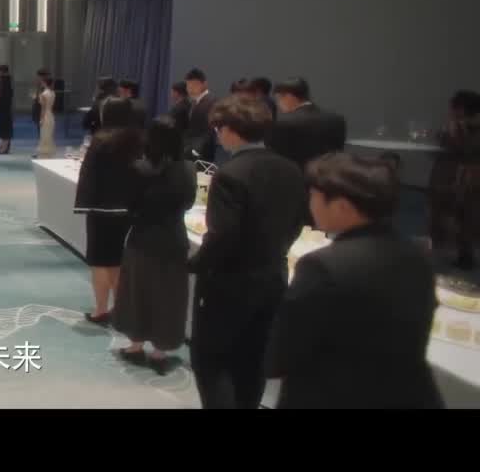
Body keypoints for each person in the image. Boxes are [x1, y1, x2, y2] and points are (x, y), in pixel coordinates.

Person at [264, 152, 442, 409]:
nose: (309, 203)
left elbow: (282, 353)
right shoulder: (417, 258)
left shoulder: (322, 266)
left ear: (342, 206)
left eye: (313, 195)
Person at [189, 96, 306, 409]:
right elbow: (297, 222)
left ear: (229, 130)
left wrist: (195, 264)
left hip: (229, 283)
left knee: (212, 362)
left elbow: (222, 236)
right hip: (273, 276)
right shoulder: (291, 168)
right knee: (253, 360)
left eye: (218, 128)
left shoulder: (230, 173)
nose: (217, 135)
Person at [113, 116, 196, 374]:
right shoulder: (188, 169)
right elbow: (189, 203)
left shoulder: (140, 168)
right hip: (174, 239)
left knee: (137, 293)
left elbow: (129, 205)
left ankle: (136, 346)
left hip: (143, 238)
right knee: (169, 296)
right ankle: (160, 352)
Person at [74, 98, 144, 325]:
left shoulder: (101, 140)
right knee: (116, 260)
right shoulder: (137, 139)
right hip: (127, 209)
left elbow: (88, 175)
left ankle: (101, 309)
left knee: (99, 261)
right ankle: (121, 309)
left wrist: (83, 203)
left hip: (101, 209)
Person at [429, 90, 480, 270]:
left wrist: (453, 131)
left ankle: (453, 252)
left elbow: (459, 147)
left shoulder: (461, 128)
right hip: (461, 179)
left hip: (460, 179)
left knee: (457, 213)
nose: (449, 111)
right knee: (465, 214)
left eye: (452, 108)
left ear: (460, 109)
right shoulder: (460, 126)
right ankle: (460, 252)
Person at [268, 77, 348, 172]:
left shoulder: (281, 123)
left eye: (278, 99)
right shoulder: (337, 119)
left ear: (289, 97)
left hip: (297, 177)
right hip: (330, 176)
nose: (278, 104)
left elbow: (277, 161)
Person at [183, 68, 217, 162]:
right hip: (193, 150)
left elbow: (209, 132)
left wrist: (195, 151)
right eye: (188, 85)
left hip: (201, 153)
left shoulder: (211, 102)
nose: (190, 89)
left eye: (194, 85)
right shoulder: (194, 102)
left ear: (204, 84)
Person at [0, 65, 14, 154]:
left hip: (4, 108)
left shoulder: (5, 81)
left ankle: (5, 147)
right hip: (3, 108)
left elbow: (5, 96)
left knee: (5, 128)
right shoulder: (3, 82)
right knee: (3, 127)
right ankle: (3, 146)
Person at [35, 74, 57, 159]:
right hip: (51, 115)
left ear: (44, 83)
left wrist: (41, 119)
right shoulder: (53, 93)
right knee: (49, 135)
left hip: (45, 116)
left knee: (44, 135)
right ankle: (49, 153)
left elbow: (43, 109)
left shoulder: (44, 94)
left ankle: (44, 154)